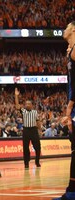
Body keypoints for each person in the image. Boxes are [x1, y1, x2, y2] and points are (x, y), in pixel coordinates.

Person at [54, 21, 75, 200]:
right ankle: (71, 190)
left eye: (67, 26)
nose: (64, 29)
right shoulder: (71, 50)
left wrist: (70, 105)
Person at [15, 88, 41, 169]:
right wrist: (16, 96)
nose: (27, 105)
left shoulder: (35, 112)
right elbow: (17, 105)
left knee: (38, 147)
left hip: (34, 130)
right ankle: (26, 163)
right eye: (26, 104)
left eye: (29, 104)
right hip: (26, 130)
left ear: (31, 105)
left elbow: (38, 121)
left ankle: (37, 161)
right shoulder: (23, 111)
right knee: (25, 148)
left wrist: (39, 130)